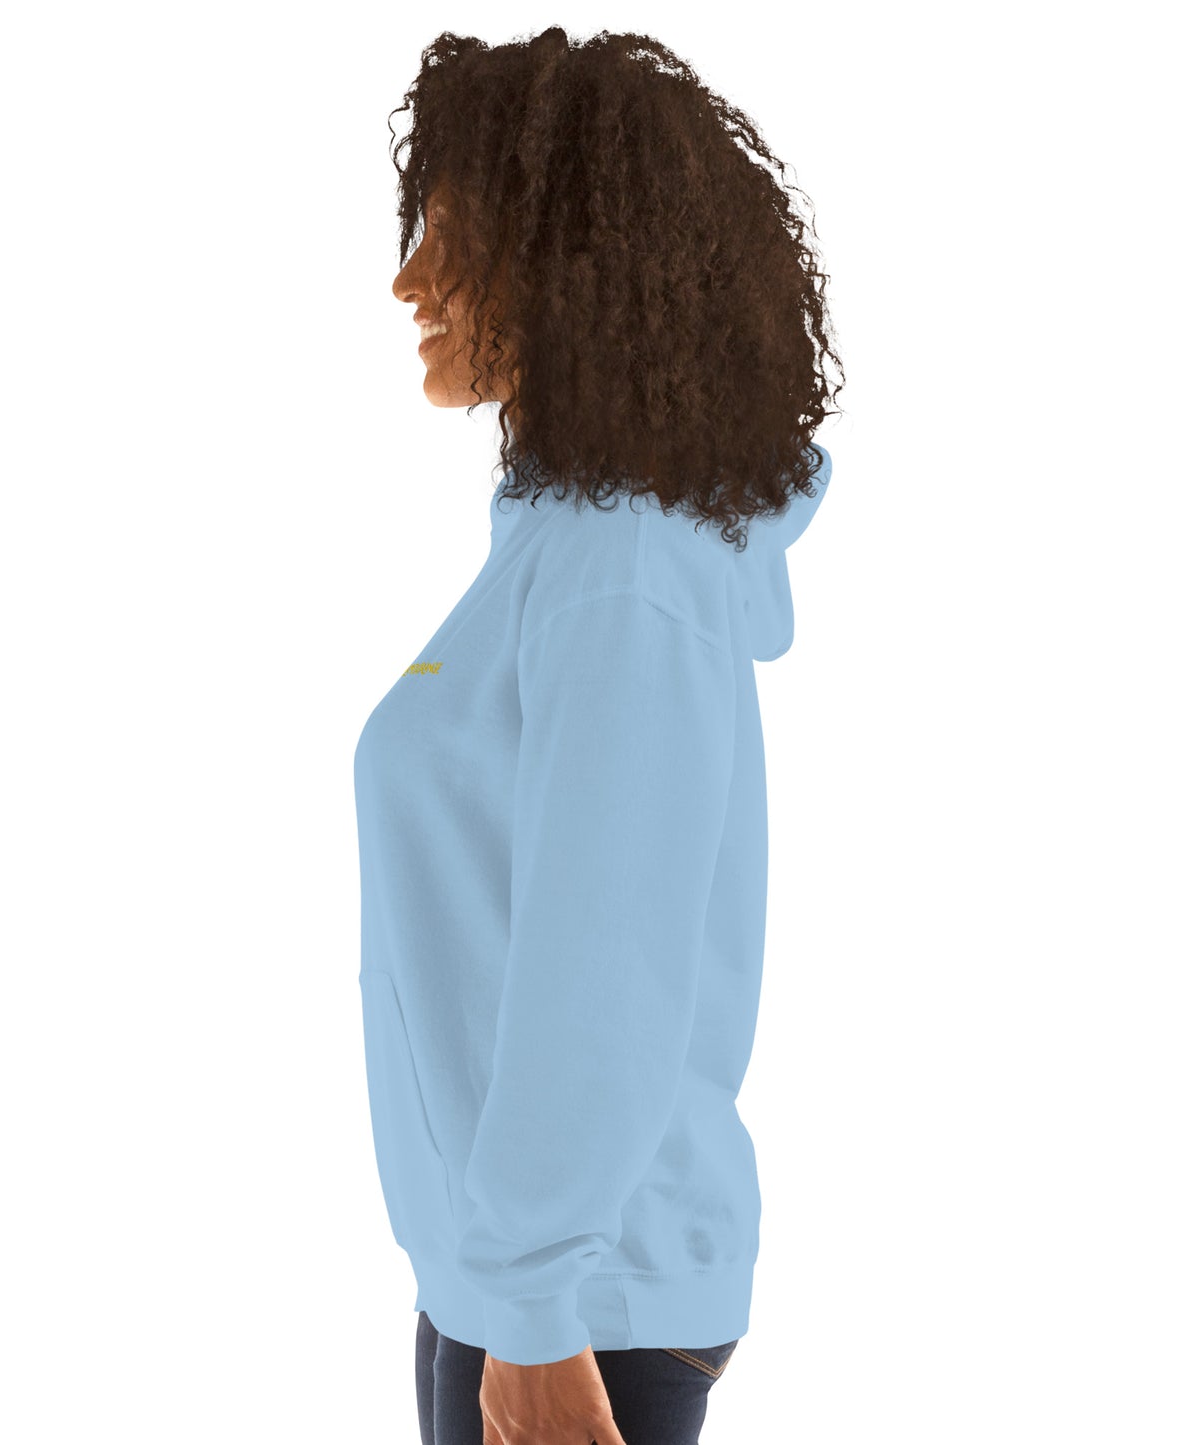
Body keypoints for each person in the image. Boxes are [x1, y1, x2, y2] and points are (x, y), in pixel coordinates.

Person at [355, 26, 844, 1445]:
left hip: (577, 1307)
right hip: (518, 1286)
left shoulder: (622, 569)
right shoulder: (569, 545)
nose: (408, 280)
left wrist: (529, 1301)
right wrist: (496, 1286)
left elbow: (606, 961)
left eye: (452, 233)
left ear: (564, 259)